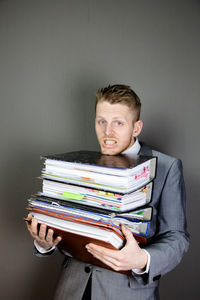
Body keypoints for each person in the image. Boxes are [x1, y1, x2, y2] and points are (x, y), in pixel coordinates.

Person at [26, 84, 189, 300]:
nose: (107, 132)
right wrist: (45, 244)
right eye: (101, 121)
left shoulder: (167, 168)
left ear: (136, 128)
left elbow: (177, 237)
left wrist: (142, 260)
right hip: (71, 289)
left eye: (118, 123)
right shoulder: (80, 165)